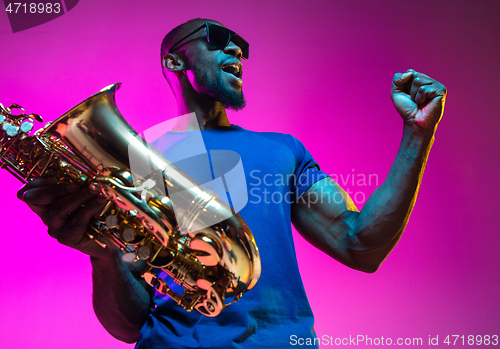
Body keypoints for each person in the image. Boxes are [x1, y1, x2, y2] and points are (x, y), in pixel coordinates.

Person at [17, 18, 446, 348]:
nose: (237, 52)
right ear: (175, 60)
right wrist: (103, 255)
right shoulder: (132, 160)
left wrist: (417, 134)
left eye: (242, 48)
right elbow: (130, 325)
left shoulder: (284, 150)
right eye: (218, 40)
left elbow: (361, 245)